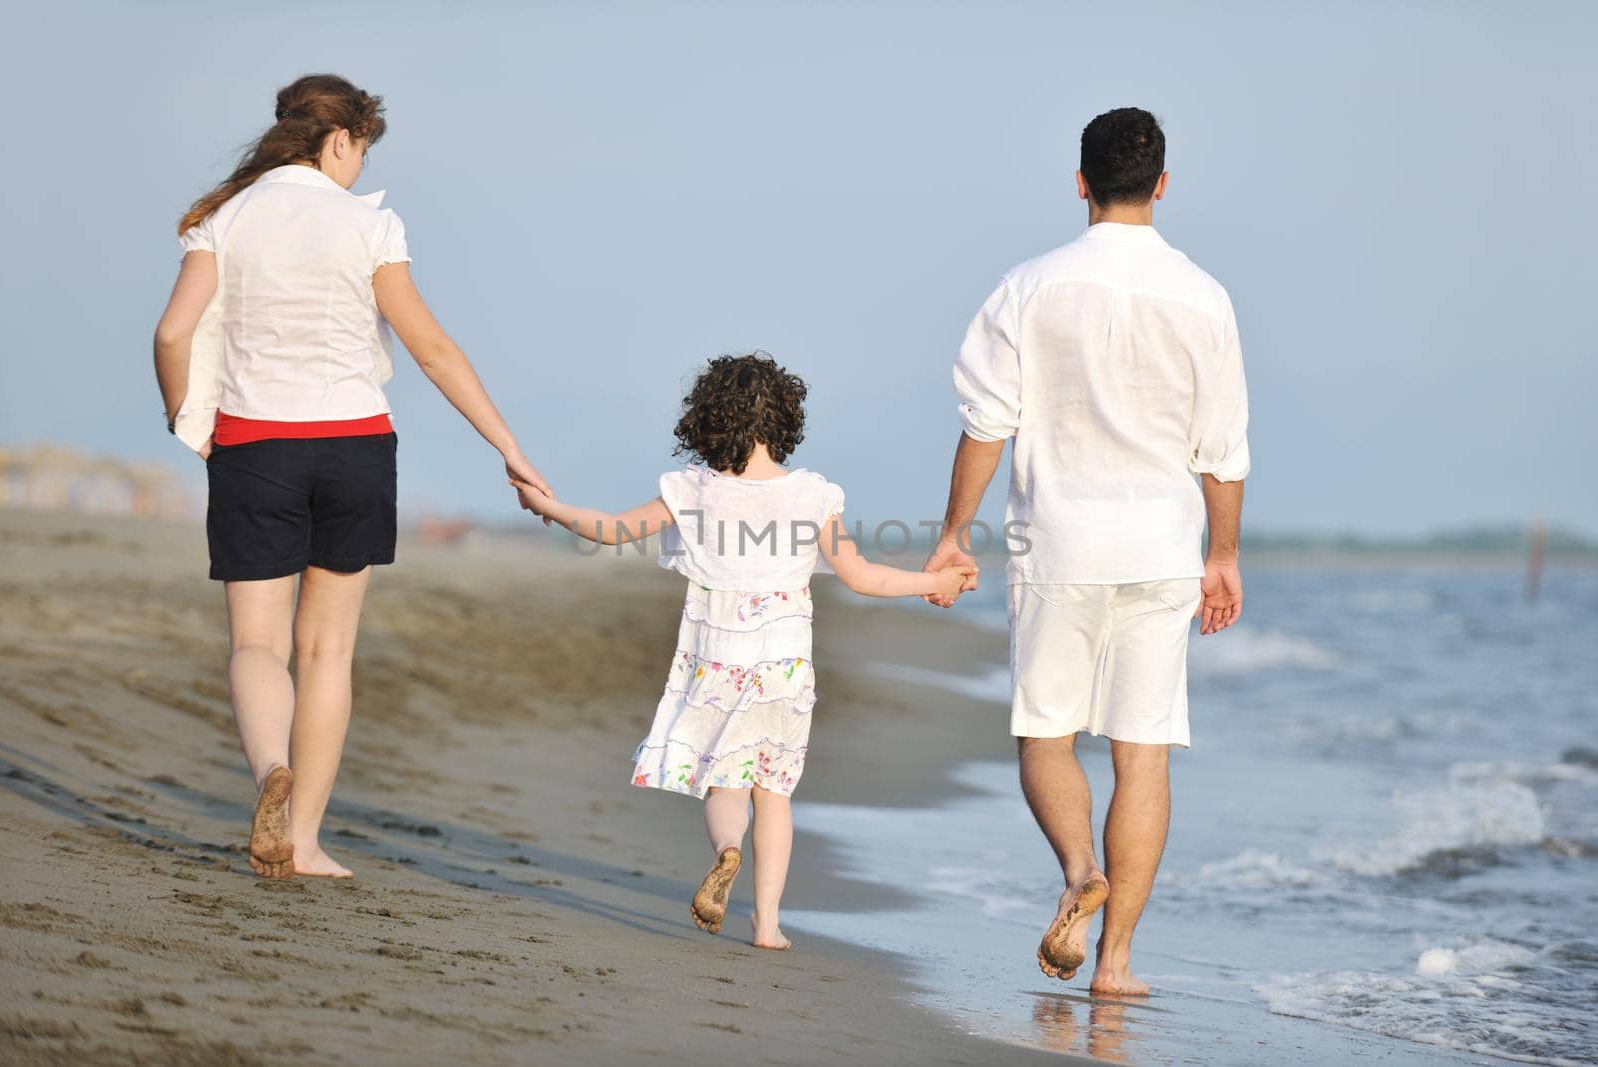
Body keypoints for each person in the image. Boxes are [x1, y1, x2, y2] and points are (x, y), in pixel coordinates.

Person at [152, 74, 552, 880]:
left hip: (255, 444)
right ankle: (302, 842)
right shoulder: (368, 224)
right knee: (327, 650)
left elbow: (172, 331)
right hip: (356, 446)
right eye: (360, 153)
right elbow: (432, 348)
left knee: (258, 642)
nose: (358, 172)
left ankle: (271, 769)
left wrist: (183, 416)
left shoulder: (223, 218)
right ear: (340, 140)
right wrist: (507, 445)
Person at [923, 107, 1250, 994]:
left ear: (1080, 183)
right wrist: (1223, 555)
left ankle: (1077, 872)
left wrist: (954, 534)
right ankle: (1117, 964)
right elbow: (1221, 451)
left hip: (1059, 543)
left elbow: (986, 425)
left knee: (1045, 732)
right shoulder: (1203, 296)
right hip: (1162, 546)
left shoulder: (1029, 287)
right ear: (1162, 184)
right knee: (1141, 750)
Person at [512, 352, 974, 949]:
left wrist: (546, 505)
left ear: (706, 421)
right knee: (774, 793)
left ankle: (727, 851)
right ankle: (770, 924)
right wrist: (932, 583)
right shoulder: (811, 495)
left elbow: (610, 529)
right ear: (784, 420)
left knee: (724, 784)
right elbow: (861, 576)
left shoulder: (693, 490)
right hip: (784, 668)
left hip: (715, 663)